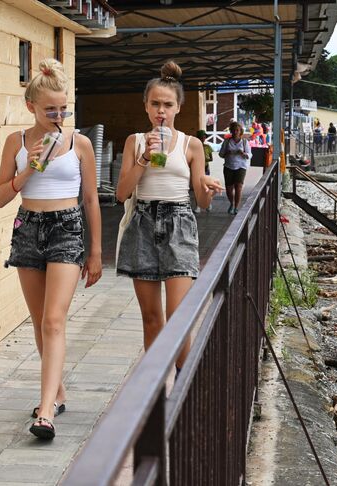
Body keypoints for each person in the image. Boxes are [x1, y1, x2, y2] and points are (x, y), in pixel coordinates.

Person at [0, 58, 103, 440]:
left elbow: (91, 199)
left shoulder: (80, 143)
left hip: (67, 227)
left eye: (63, 108)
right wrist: (29, 170)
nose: (58, 115)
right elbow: (0, 198)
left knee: (54, 320)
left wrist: (96, 252)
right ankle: (56, 393)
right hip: (28, 227)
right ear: (32, 108)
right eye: (50, 109)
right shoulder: (17, 142)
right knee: (40, 321)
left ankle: (45, 412)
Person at [115, 60, 223, 381]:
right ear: (146, 106)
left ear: (178, 107)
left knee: (177, 317)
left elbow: (201, 200)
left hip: (179, 223)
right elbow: (121, 193)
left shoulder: (192, 145)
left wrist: (208, 190)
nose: (161, 111)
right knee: (151, 318)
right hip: (143, 223)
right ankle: (156, 387)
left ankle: (185, 384)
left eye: (168, 104)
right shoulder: (135, 141)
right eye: (155, 104)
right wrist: (145, 157)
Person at [219, 121, 251, 215]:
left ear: (240, 131)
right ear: (231, 131)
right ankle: (231, 204)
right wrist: (227, 153)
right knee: (229, 188)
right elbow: (221, 154)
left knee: (239, 187)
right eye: (234, 130)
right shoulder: (227, 142)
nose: (235, 132)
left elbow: (250, 154)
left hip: (241, 166)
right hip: (229, 166)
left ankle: (236, 207)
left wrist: (243, 154)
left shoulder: (245, 142)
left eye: (237, 130)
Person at [194, 130, 213, 213]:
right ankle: (198, 205)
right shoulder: (194, 147)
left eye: (204, 137)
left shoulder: (207, 147)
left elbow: (211, 158)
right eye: (201, 137)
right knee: (198, 186)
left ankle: (208, 203)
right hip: (196, 168)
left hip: (206, 168)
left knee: (206, 186)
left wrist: (205, 158)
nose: (202, 138)